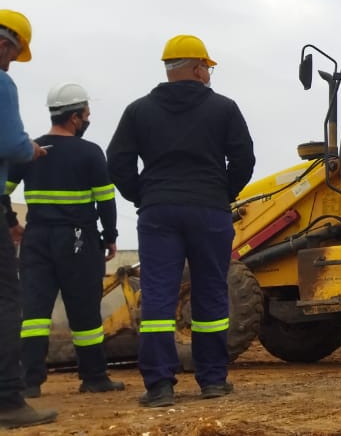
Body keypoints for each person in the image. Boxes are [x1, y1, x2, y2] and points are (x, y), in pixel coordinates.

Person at [107, 34, 255, 408]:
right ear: (196, 67)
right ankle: (213, 381)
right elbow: (244, 160)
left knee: (158, 294)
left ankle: (159, 387)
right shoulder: (224, 109)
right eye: (207, 67)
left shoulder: (138, 110)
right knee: (210, 292)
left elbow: (117, 163)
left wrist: (145, 196)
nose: (208, 74)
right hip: (209, 211)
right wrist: (222, 193)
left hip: (159, 212)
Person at [6, 83, 125, 398]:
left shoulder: (28, 151)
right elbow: (106, 201)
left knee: (33, 313)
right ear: (75, 117)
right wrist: (110, 237)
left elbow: (2, 190)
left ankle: (29, 382)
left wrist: (10, 222)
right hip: (78, 240)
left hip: (35, 240)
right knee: (84, 312)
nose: (88, 119)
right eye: (86, 114)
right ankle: (94, 377)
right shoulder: (90, 153)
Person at [0, 9, 57, 428]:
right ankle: (7, 400)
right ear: (5, 44)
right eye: (14, 55)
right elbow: (13, 145)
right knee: (6, 300)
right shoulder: (1, 82)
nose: (11, 64)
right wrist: (30, 150)